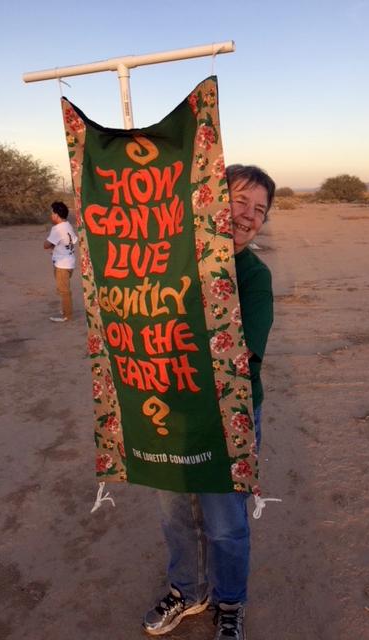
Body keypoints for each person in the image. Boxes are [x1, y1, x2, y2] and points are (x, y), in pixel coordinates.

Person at [143, 165, 276, 640]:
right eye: (240, 200)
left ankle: (230, 601)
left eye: (259, 210)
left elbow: (246, 357)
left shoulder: (253, 277)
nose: (247, 215)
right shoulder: (176, 260)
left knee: (224, 521)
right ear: (216, 200)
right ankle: (188, 590)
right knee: (175, 513)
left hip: (229, 415)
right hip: (170, 408)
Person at [43, 201, 78, 322]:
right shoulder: (68, 225)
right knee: (62, 289)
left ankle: (67, 315)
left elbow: (46, 245)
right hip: (70, 262)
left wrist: (50, 243)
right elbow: (72, 241)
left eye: (52, 213)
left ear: (57, 214)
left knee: (64, 291)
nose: (51, 215)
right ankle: (65, 309)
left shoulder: (57, 229)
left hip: (62, 265)